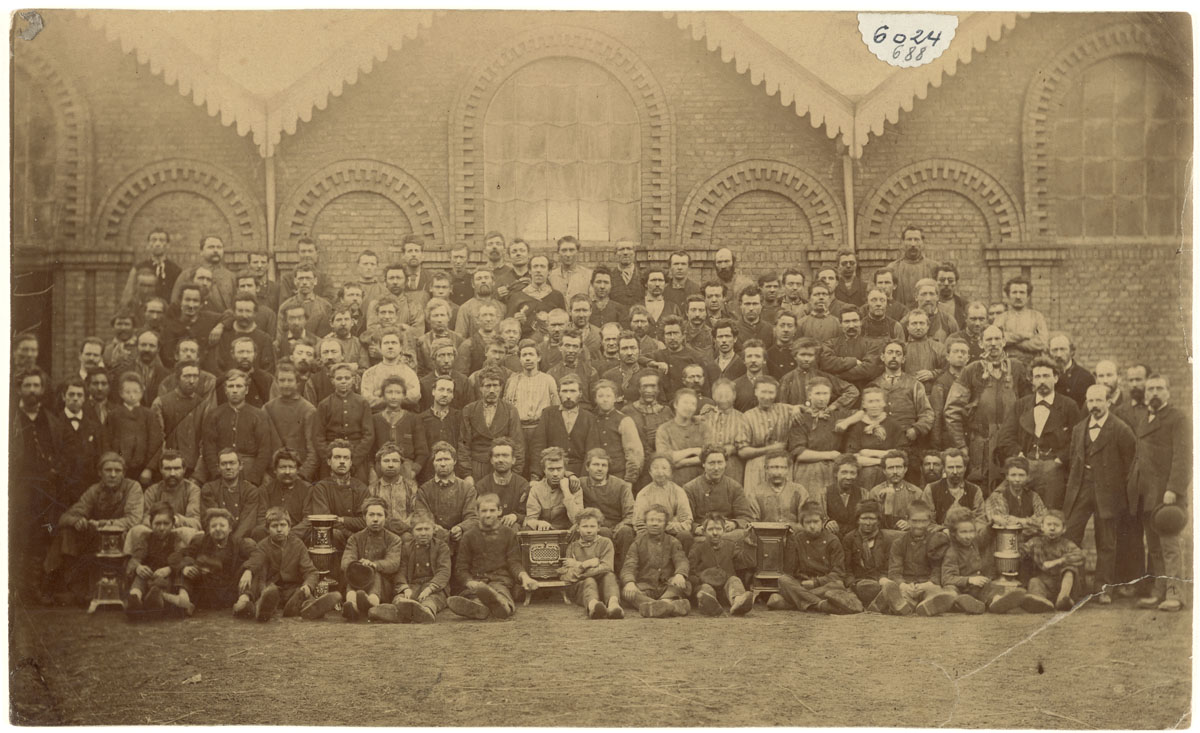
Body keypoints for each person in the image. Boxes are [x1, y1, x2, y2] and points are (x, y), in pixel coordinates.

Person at [1062, 384, 1136, 604]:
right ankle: (1074, 587)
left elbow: (1130, 465)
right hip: (1081, 490)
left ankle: (1103, 589)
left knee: (1106, 542)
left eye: (1098, 401)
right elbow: (1074, 463)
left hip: (1109, 494)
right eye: (1090, 401)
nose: (1094, 406)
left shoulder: (1121, 429)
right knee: (1070, 536)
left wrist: (1119, 491)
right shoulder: (1078, 429)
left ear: (1108, 402)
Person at [44, 453, 145, 604]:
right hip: (97, 538)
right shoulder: (94, 490)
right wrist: (77, 520)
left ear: (123, 473)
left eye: (117, 471)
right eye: (108, 470)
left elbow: (133, 519)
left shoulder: (133, 487)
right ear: (100, 473)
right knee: (67, 532)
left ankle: (91, 591)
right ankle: (61, 585)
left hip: (121, 538)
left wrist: (101, 524)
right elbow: (66, 517)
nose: (112, 475)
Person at [1127, 374, 1189, 612]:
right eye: (1150, 388)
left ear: (1168, 392)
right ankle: (1160, 591)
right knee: (1153, 547)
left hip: (1166, 493)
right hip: (1145, 493)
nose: (1154, 392)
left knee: (1169, 546)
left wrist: (1173, 488)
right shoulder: (1144, 418)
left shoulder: (1177, 418)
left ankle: (1175, 594)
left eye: (1159, 388)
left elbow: (1183, 458)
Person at [944, 325, 1031, 488]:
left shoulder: (1017, 368)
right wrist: (961, 445)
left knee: (1012, 487)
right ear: (981, 344)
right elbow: (952, 411)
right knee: (980, 488)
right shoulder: (971, 370)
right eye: (988, 339)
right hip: (980, 445)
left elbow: (1029, 408)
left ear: (1004, 341)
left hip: (1011, 444)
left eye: (997, 339)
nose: (993, 343)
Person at [996, 356, 1081, 511]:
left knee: (1050, 515)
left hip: (1054, 469)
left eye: (1046, 376)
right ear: (1032, 380)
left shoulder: (1069, 406)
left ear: (1055, 378)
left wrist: (1059, 460)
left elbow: (1077, 440)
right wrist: (1019, 456)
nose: (1042, 381)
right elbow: (1006, 437)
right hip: (1025, 466)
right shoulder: (1021, 405)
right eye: (1037, 377)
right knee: (1017, 509)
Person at [237, 506, 340, 621]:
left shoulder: (297, 544)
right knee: (264, 586)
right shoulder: (263, 546)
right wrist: (256, 582)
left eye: (283, 525)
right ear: (267, 529)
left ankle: (309, 607)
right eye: (274, 526)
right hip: (271, 588)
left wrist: (307, 586)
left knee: (302, 594)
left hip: (291, 589)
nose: (279, 529)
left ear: (289, 527)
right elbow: (259, 569)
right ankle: (263, 607)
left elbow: (310, 571)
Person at [448, 493, 539, 620]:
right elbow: (461, 568)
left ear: (499, 511)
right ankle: (477, 607)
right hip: (477, 581)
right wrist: (468, 581)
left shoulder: (508, 533)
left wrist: (524, 577)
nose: (488, 514)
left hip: (500, 580)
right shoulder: (469, 536)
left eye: (492, 510)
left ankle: (503, 607)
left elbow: (514, 563)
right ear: (477, 512)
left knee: (501, 593)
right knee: (474, 594)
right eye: (484, 511)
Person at [767, 502, 863, 614]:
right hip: (803, 583)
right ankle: (821, 605)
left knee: (838, 585)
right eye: (808, 522)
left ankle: (792, 602)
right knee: (783, 580)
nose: (812, 526)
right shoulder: (797, 539)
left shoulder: (833, 541)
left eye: (816, 522)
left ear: (822, 522)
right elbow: (789, 571)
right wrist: (789, 543)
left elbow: (839, 573)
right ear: (802, 524)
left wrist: (815, 582)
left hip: (823, 585)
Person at [876, 500, 954, 616]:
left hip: (927, 584)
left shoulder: (936, 540)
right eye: (915, 521)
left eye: (923, 521)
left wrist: (928, 583)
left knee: (935, 592)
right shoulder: (899, 543)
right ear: (907, 519)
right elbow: (894, 571)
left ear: (929, 520)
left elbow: (937, 569)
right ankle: (904, 605)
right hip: (907, 585)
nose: (919, 525)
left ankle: (927, 605)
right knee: (898, 591)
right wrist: (903, 584)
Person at [172, 508, 256, 612]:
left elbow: (257, 554)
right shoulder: (201, 541)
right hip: (207, 591)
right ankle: (184, 600)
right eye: (213, 526)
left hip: (230, 590)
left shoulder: (238, 543)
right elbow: (176, 555)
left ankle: (243, 602)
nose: (217, 529)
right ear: (208, 529)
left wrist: (249, 571)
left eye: (222, 525)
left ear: (230, 528)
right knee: (187, 561)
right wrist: (184, 567)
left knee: (253, 567)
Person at [201, 370, 273, 485]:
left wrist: (254, 478)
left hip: (250, 470)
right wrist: (217, 474)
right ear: (225, 390)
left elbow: (264, 450)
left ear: (246, 390)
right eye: (231, 386)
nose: (234, 390)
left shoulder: (259, 415)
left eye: (239, 386)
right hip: (222, 470)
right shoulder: (214, 415)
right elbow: (209, 448)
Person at [340, 496, 405, 622]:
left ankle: (372, 603)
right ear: (364, 517)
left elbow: (393, 563)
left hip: (383, 588)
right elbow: (345, 562)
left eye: (379, 515)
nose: (375, 519)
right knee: (353, 574)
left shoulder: (394, 539)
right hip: (358, 583)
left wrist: (373, 565)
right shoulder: (355, 538)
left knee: (374, 572)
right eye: (371, 515)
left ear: (386, 517)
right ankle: (352, 605)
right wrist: (359, 566)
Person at [620, 505, 691, 618]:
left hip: (667, 586)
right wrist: (629, 582)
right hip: (645, 586)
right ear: (645, 522)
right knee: (627, 593)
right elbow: (629, 565)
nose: (654, 523)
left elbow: (681, 560)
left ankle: (659, 604)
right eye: (651, 520)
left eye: (659, 521)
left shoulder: (673, 542)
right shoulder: (638, 543)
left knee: (685, 585)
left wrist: (680, 574)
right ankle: (671, 606)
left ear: (666, 524)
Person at [125, 501, 191, 614]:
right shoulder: (145, 538)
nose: (161, 528)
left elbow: (183, 558)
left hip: (166, 577)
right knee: (140, 578)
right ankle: (135, 598)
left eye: (166, 523)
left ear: (173, 523)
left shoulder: (176, 539)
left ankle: (156, 599)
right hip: (149, 574)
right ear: (151, 523)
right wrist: (138, 567)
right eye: (157, 523)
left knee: (162, 583)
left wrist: (169, 569)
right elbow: (136, 557)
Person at [312, 363, 374, 483]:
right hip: (331, 457)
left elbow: (369, 435)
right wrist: (329, 459)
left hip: (357, 456)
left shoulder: (362, 403)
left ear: (354, 380)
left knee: (358, 486)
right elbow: (318, 437)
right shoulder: (324, 404)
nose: (343, 381)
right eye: (339, 378)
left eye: (347, 378)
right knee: (328, 487)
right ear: (332, 381)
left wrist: (354, 459)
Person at [528, 375, 598, 480]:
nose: (568, 396)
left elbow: (590, 451)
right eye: (564, 391)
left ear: (580, 394)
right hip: (552, 469)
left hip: (579, 472)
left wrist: (583, 479)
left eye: (572, 391)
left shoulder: (589, 418)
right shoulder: (548, 414)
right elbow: (539, 445)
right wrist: (535, 475)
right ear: (558, 393)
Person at [787, 377, 851, 492]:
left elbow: (862, 413)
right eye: (817, 393)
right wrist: (830, 455)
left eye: (825, 393)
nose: (822, 398)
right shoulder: (801, 418)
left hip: (832, 469)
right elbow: (799, 454)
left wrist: (847, 422)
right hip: (809, 470)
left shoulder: (837, 416)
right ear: (809, 395)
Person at [152, 361, 212, 480]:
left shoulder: (203, 405)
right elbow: (157, 440)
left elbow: (205, 442)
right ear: (177, 378)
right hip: (167, 468)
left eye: (195, 376)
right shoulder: (161, 403)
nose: (191, 381)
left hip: (192, 468)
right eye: (187, 376)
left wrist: (198, 475)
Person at [688, 512, 755, 616]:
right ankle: (710, 606)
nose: (715, 533)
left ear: (724, 530)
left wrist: (748, 543)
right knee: (706, 588)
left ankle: (738, 602)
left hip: (726, 591)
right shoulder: (697, 548)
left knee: (734, 580)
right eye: (710, 529)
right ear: (704, 531)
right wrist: (702, 578)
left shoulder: (731, 546)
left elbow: (748, 562)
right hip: (705, 588)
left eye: (718, 529)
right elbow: (690, 573)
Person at [560, 507, 623, 619]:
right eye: (584, 526)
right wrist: (585, 564)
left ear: (598, 528)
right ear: (578, 528)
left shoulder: (605, 543)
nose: (589, 530)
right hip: (583, 589)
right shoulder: (573, 547)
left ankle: (614, 605)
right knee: (589, 581)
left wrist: (578, 566)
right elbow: (567, 576)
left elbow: (607, 567)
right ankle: (594, 606)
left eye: (592, 526)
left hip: (603, 585)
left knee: (609, 576)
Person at [578, 448, 636, 568]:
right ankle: (603, 572)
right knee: (603, 532)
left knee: (626, 532)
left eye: (604, 465)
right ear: (587, 467)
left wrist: (619, 527)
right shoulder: (581, 484)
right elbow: (562, 478)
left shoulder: (621, 485)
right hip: (596, 527)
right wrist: (570, 475)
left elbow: (630, 513)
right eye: (595, 464)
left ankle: (625, 573)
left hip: (618, 526)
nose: (600, 469)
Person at [415, 441, 478, 549]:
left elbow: (472, 517)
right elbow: (422, 516)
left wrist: (461, 528)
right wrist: (438, 531)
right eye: (439, 460)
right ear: (433, 463)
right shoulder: (424, 490)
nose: (443, 464)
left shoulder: (467, 489)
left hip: (460, 538)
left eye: (447, 459)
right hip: (434, 539)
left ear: (454, 461)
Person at [739, 376, 795, 495]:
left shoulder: (785, 409)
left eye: (771, 392)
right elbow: (743, 451)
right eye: (763, 392)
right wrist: (770, 449)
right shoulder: (748, 416)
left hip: (782, 466)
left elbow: (807, 410)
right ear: (755, 392)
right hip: (757, 467)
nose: (767, 396)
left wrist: (798, 409)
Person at [309, 440, 370, 550]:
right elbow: (325, 521)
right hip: (336, 539)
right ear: (329, 461)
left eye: (346, 458)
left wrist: (343, 519)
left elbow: (365, 521)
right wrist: (351, 536)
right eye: (337, 457)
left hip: (360, 539)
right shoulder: (321, 488)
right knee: (333, 534)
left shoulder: (361, 488)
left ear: (351, 463)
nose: (342, 462)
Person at [682, 446, 753, 540]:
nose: (716, 468)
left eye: (720, 463)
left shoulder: (734, 487)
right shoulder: (690, 488)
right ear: (703, 464)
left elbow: (746, 517)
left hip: (727, 534)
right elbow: (686, 518)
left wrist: (734, 523)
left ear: (725, 464)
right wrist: (696, 528)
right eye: (711, 463)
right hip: (702, 534)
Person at [263, 361, 318, 481]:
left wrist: (302, 475)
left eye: (290, 380)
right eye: (282, 380)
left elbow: (313, 450)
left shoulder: (308, 410)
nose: (286, 384)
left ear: (297, 382)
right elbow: (263, 445)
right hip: (273, 474)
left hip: (298, 474)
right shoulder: (267, 408)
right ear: (276, 382)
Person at [1021, 510, 1084, 613]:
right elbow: (1021, 551)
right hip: (1046, 583)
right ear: (1042, 527)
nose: (1052, 528)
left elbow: (1080, 555)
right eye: (1048, 524)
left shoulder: (1066, 544)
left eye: (1056, 525)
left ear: (1064, 529)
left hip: (1064, 584)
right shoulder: (1035, 542)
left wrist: (1058, 561)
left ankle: (1063, 598)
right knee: (1034, 581)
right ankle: (1040, 601)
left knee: (1069, 569)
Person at [840, 500, 897, 609]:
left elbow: (888, 566)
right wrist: (852, 584)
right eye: (864, 518)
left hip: (879, 581)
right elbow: (847, 569)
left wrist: (881, 579)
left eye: (872, 518)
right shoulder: (849, 539)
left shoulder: (886, 539)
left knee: (881, 586)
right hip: (858, 582)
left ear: (878, 521)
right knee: (863, 587)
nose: (868, 523)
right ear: (858, 520)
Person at [200, 447, 263, 545]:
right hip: (216, 536)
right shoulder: (209, 488)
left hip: (239, 540)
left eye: (232, 463)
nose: (228, 467)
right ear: (218, 467)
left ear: (241, 466)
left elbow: (247, 522)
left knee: (249, 544)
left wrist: (231, 543)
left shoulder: (250, 490)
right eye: (224, 464)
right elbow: (212, 518)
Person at [937, 506, 993, 615]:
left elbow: (985, 536)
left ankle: (993, 602)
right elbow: (947, 578)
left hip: (975, 588)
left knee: (990, 586)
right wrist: (969, 580)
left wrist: (992, 524)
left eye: (972, 531)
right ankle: (962, 604)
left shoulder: (974, 542)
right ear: (953, 533)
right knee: (950, 590)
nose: (969, 536)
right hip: (960, 587)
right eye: (963, 532)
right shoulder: (952, 552)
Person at [632, 455, 694, 551]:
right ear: (650, 472)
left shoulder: (678, 491)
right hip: (650, 533)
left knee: (685, 535)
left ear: (670, 472)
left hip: (673, 534)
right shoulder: (643, 493)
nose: (660, 472)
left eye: (664, 468)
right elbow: (639, 522)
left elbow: (686, 521)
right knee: (641, 538)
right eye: (655, 468)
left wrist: (666, 527)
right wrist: (656, 528)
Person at [983, 457, 1048, 548]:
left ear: (1027, 476)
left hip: (1031, 544)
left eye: (1021, 475)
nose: (1017, 479)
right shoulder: (998, 496)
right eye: (1013, 475)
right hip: (1005, 543)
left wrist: (1018, 520)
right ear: (1007, 476)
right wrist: (1031, 523)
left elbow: (1044, 521)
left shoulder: (1033, 496)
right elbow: (1004, 524)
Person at [654, 389, 709, 487]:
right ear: (675, 404)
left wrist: (680, 463)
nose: (689, 407)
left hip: (701, 481)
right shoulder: (664, 429)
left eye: (693, 404)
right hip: (674, 482)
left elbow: (709, 455)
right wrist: (693, 450)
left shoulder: (703, 427)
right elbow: (664, 458)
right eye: (685, 402)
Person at [867, 450, 932, 530]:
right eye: (890, 468)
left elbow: (924, 519)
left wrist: (910, 524)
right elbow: (873, 522)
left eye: (898, 467)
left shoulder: (916, 492)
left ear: (905, 469)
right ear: (884, 471)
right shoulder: (875, 492)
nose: (895, 472)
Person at [525, 447, 585, 530]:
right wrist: (538, 523)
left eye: (559, 469)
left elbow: (578, 520)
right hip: (544, 532)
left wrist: (566, 492)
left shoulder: (574, 487)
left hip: (567, 534)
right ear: (544, 470)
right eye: (551, 469)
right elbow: (530, 519)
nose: (555, 474)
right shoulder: (536, 489)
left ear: (565, 469)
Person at [171, 235, 235, 312]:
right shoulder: (187, 274)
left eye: (219, 247)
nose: (216, 250)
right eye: (211, 247)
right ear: (201, 252)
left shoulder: (231, 276)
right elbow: (175, 303)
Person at [926, 448, 986, 531]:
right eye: (950, 467)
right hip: (940, 538)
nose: (955, 471)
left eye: (958, 467)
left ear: (965, 468)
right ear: (944, 468)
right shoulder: (931, 489)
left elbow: (980, 521)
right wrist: (943, 530)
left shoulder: (975, 490)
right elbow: (927, 522)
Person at [929, 337, 971, 450]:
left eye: (963, 352)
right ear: (948, 357)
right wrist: (936, 444)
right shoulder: (941, 383)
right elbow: (937, 415)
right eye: (955, 351)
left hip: (971, 436)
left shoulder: (974, 380)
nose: (960, 355)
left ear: (968, 358)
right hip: (949, 437)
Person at [258, 448, 313, 535]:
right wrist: (275, 532)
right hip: (272, 534)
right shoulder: (266, 489)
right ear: (275, 470)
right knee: (258, 532)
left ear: (298, 470)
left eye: (291, 467)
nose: (287, 472)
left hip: (298, 535)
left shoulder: (307, 489)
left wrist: (291, 533)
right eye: (283, 467)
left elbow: (308, 518)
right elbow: (261, 518)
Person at [121, 228, 181, 304]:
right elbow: (128, 296)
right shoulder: (138, 268)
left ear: (168, 245)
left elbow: (176, 299)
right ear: (148, 244)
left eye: (162, 240)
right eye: (154, 240)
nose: (157, 244)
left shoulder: (176, 271)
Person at [885, 225, 939, 307]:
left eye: (916, 239)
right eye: (909, 239)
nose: (913, 244)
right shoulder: (893, 268)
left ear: (922, 242)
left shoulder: (933, 267)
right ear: (903, 242)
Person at [1048, 333, 1095, 408]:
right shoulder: (1043, 376)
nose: (1059, 354)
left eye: (1063, 349)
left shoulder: (1085, 377)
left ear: (1071, 351)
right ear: (1049, 352)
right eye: (1054, 350)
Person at [822, 454, 863, 536]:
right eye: (844, 472)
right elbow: (820, 516)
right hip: (832, 537)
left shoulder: (863, 493)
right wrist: (827, 522)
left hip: (855, 537)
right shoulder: (824, 493)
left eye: (852, 473)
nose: (848, 477)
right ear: (835, 473)